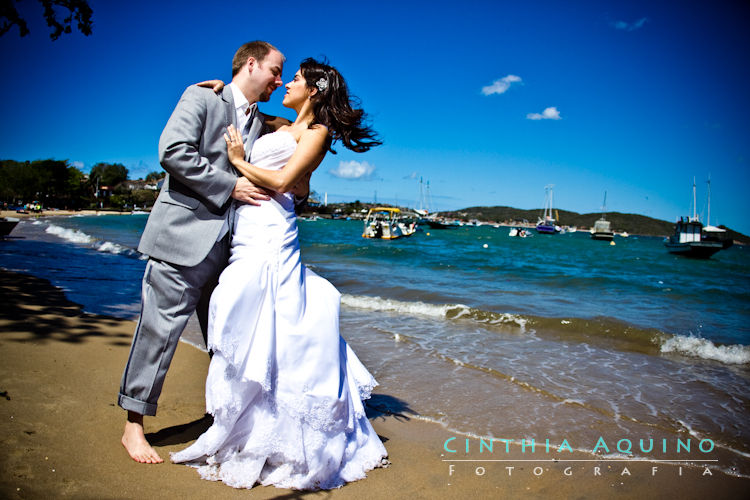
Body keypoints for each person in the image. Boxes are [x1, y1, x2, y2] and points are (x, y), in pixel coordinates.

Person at [170, 58, 388, 490]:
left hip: (273, 229)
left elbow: (287, 182)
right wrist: (225, 86)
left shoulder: (317, 132)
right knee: (247, 313)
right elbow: (243, 107)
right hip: (248, 228)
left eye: (296, 79)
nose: (286, 83)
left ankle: (279, 428)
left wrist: (237, 161)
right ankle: (245, 419)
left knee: (272, 314)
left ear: (315, 91)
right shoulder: (277, 125)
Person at [118, 40, 287, 464]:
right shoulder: (200, 97)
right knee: (159, 334)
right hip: (181, 238)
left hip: (230, 254)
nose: (280, 80)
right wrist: (230, 185)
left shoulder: (264, 123)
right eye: (275, 71)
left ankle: (225, 420)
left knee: (228, 342)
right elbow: (172, 152)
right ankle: (133, 426)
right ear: (251, 64)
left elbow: (305, 126)